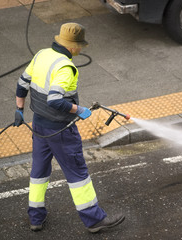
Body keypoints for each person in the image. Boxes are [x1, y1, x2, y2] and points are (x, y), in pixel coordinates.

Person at [14, 22, 125, 233]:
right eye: (80, 46)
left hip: (39, 126)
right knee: (78, 174)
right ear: (73, 47)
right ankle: (94, 220)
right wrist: (78, 109)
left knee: (39, 171)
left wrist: (19, 109)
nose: (81, 49)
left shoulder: (41, 55)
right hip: (61, 130)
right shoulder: (66, 67)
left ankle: (36, 217)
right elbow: (54, 100)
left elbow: (22, 83)